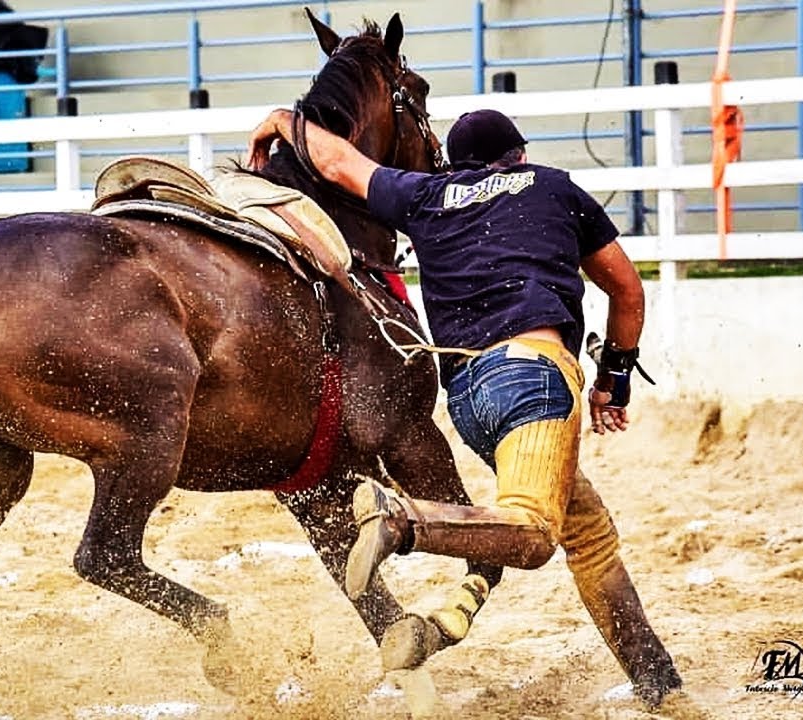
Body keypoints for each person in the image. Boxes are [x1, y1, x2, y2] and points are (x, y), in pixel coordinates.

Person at [247, 107, 682, 708]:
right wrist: (614, 381)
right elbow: (627, 290)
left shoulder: (426, 194)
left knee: (587, 533)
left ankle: (656, 679)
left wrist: (281, 120)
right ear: (519, 156)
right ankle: (400, 521)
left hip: (471, 400)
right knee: (533, 538)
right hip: (535, 378)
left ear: (457, 163)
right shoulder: (553, 185)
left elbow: (339, 160)